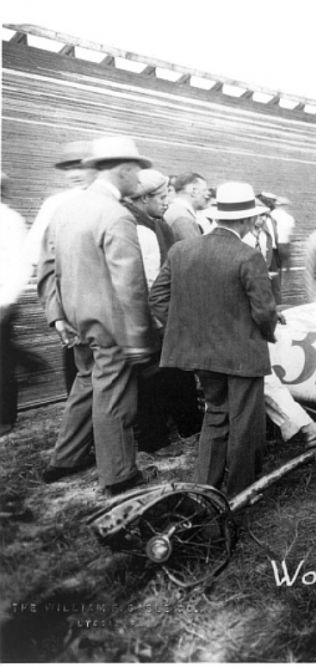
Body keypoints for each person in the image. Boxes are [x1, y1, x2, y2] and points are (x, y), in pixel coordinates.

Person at [37, 136, 158, 494]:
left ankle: (66, 458)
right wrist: (139, 339)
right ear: (122, 170)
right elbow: (130, 283)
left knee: (87, 382)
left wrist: (57, 314)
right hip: (111, 325)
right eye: (136, 172)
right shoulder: (116, 215)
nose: (138, 181)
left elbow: (46, 264)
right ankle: (119, 475)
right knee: (114, 395)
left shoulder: (65, 209)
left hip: (75, 320)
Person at [149, 182, 274, 496]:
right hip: (242, 354)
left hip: (200, 353)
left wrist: (188, 328)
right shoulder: (248, 256)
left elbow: (157, 299)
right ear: (245, 221)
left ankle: (204, 488)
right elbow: (263, 311)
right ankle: (243, 491)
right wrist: (268, 332)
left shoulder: (181, 250)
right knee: (246, 424)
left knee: (216, 414)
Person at [124, 169, 201, 448]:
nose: (167, 201)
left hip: (152, 316)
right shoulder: (141, 228)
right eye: (161, 196)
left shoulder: (150, 221)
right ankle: (159, 435)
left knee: (159, 376)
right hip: (154, 317)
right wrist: (162, 319)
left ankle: (165, 430)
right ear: (143, 198)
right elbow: (148, 281)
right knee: (160, 376)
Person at [28, 141, 97, 393]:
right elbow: (39, 258)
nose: (75, 173)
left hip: (110, 306)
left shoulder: (112, 199)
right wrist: (56, 312)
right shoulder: (56, 204)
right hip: (75, 305)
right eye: (68, 168)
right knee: (81, 372)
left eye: (81, 165)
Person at [1, 183, 28, 437]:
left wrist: (7, 300)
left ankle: (5, 418)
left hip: (1, 303)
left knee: (2, 361)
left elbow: (20, 264)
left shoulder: (9, 219)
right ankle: (32, 363)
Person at [164, 172, 211, 242]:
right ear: (194, 190)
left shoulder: (174, 210)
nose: (208, 194)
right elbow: (194, 250)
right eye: (204, 190)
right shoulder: (182, 218)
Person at [269, 195, 295, 300]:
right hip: (283, 245)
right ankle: (278, 297)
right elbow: (289, 236)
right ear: (285, 206)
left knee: (272, 272)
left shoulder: (270, 215)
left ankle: (273, 294)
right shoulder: (289, 218)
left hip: (271, 245)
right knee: (280, 273)